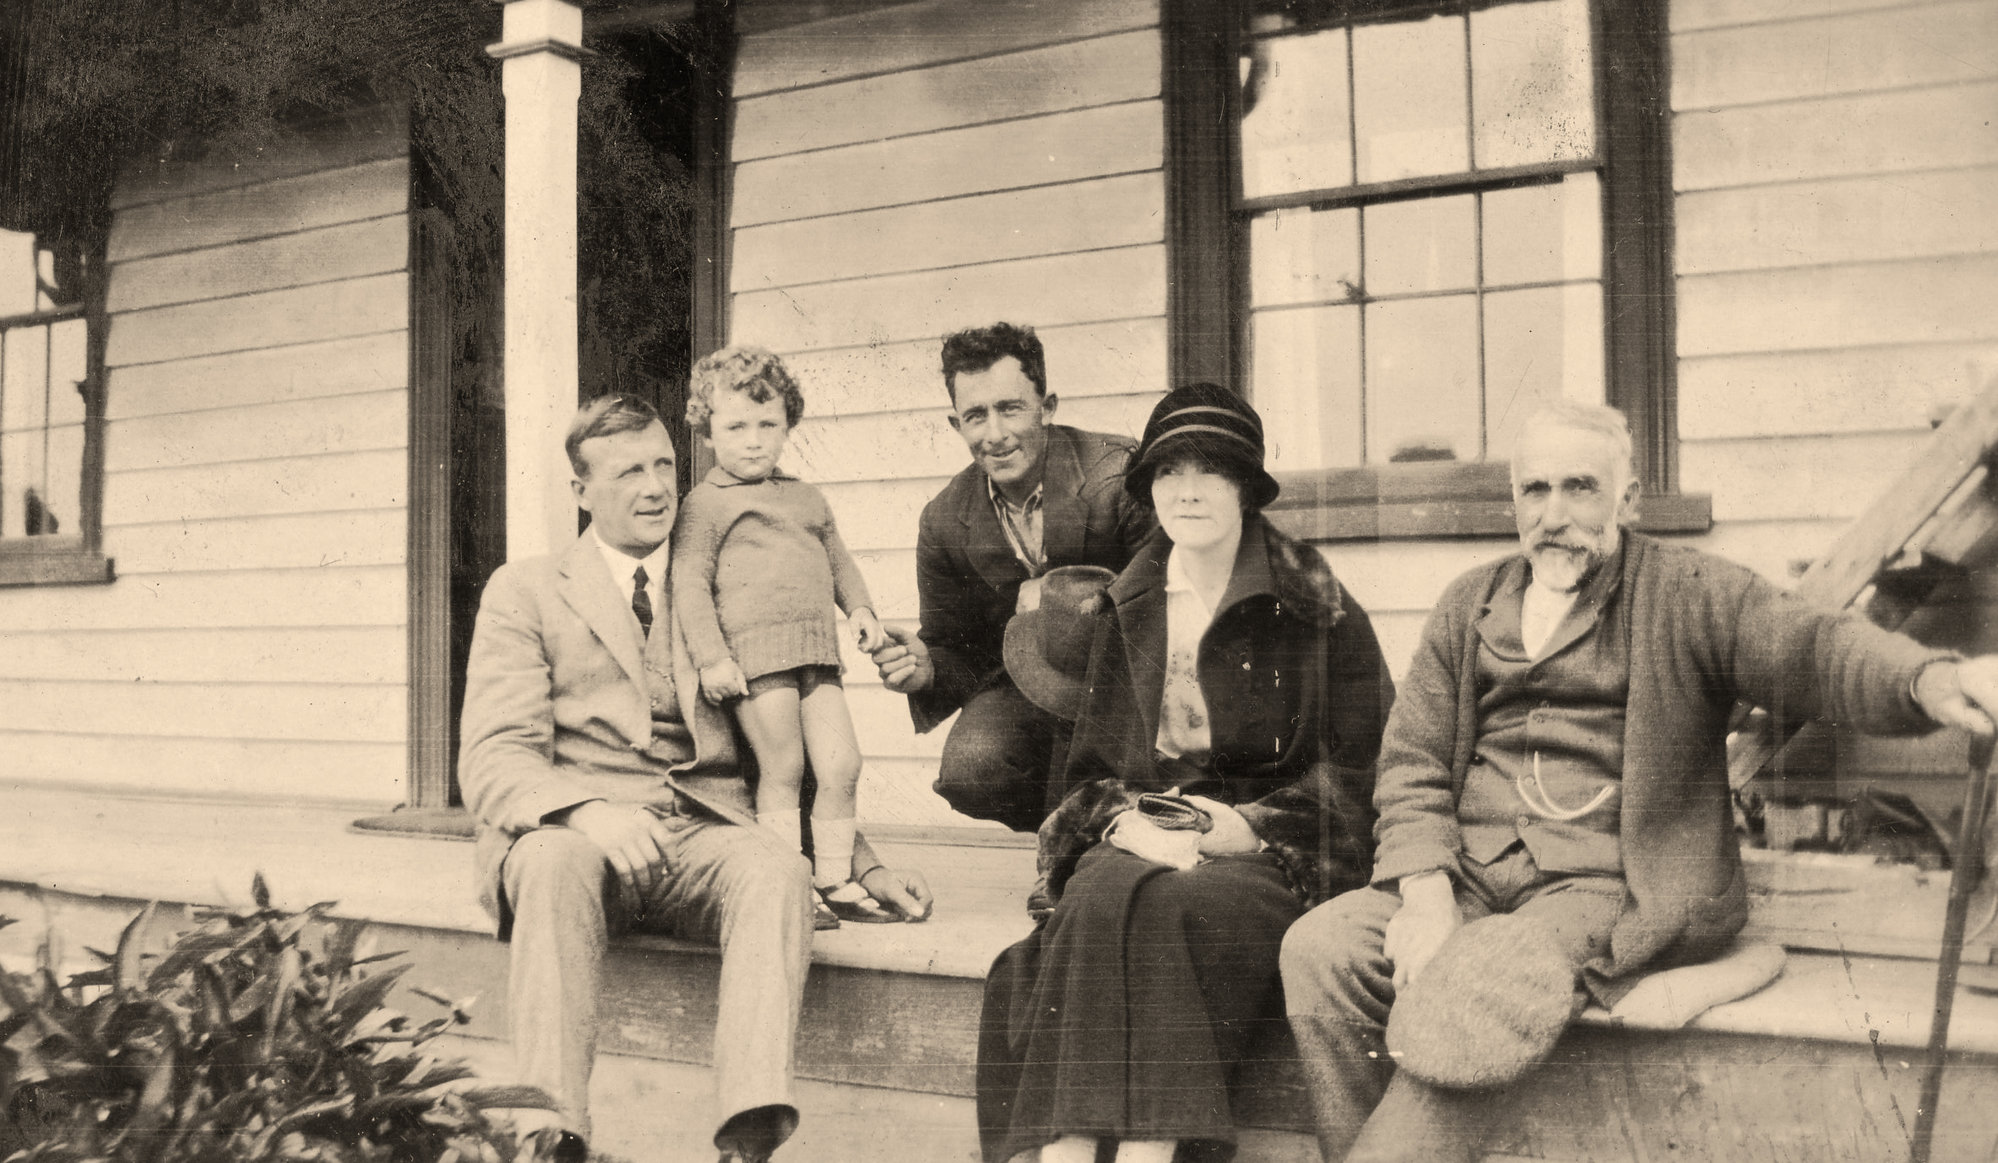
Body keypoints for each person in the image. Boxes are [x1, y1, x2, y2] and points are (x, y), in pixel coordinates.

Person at [1279, 400, 1998, 1163]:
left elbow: (1812, 649)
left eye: (1580, 487)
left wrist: (1930, 680)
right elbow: (1413, 758)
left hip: (1615, 880)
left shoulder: (1691, 592)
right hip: (1468, 874)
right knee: (1322, 946)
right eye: (1535, 490)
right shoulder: (1470, 602)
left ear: (1628, 498)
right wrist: (1423, 891)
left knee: (1481, 976)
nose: (1554, 514)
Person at [458, 394, 933, 1163]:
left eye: (664, 466)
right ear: (579, 490)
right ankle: (551, 1133)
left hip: (703, 831)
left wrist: (864, 863)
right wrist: (586, 812)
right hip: (581, 840)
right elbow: (493, 758)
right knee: (546, 858)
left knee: (777, 866)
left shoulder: (714, 579)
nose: (654, 488)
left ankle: (746, 1138)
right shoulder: (527, 590)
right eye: (627, 473)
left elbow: (778, 743)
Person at [976, 383, 1396, 1163]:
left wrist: (1252, 825)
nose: (1189, 491)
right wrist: (1119, 817)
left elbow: (1368, 768)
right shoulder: (1130, 602)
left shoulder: (1313, 602)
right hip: (1149, 829)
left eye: (1211, 470)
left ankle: (1144, 1152)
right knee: (1101, 889)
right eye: (1170, 473)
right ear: (1150, 489)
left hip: (1266, 849)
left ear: (1246, 485)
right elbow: (1090, 770)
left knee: (1169, 909)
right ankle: (1069, 1153)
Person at [868, 322, 1156, 832]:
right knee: (972, 770)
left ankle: (1097, 848)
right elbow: (957, 649)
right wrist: (925, 669)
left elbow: (1165, 597)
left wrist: (1059, 595)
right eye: (976, 415)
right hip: (1027, 683)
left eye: (1010, 408)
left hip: (1129, 678)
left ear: (1048, 407)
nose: (995, 434)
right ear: (956, 423)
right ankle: (1064, 838)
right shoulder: (943, 519)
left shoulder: (1120, 474)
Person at [672, 347, 898, 927]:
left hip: (817, 657)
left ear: (787, 426)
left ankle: (834, 877)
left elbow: (839, 561)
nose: (754, 440)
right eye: (736, 427)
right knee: (783, 768)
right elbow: (690, 586)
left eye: (768, 424)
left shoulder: (806, 498)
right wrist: (712, 659)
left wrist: (862, 609)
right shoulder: (705, 505)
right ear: (707, 431)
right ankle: (788, 883)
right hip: (755, 662)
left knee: (842, 764)